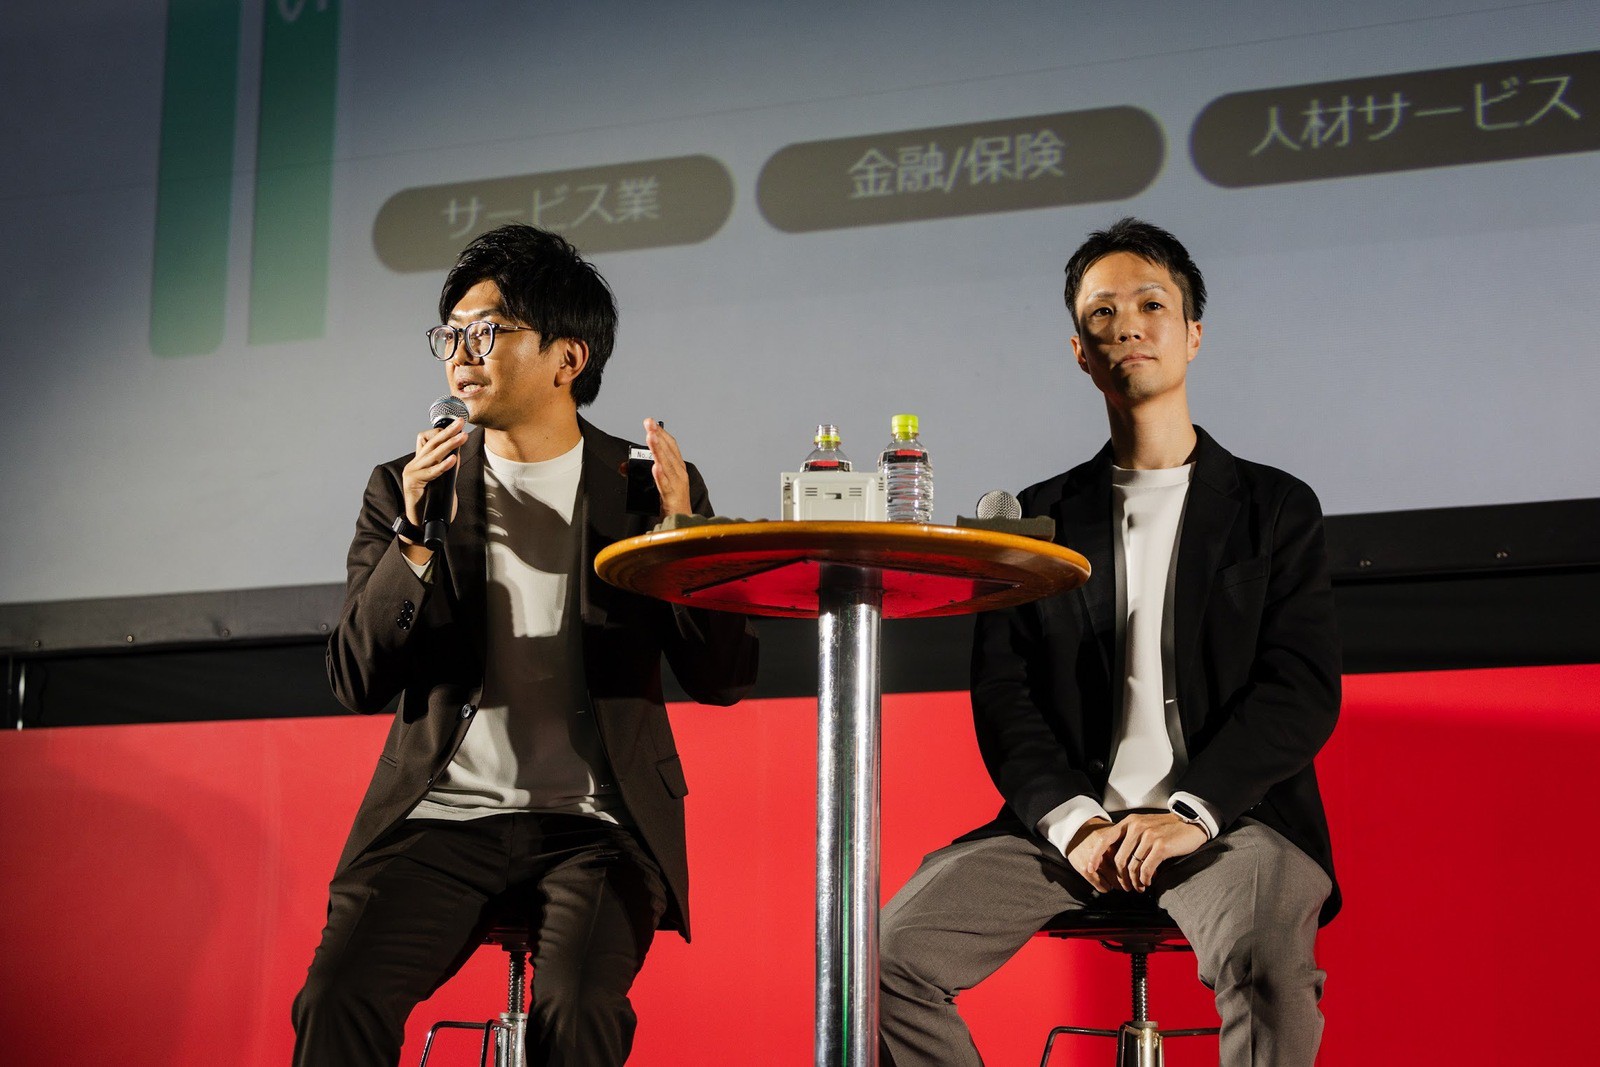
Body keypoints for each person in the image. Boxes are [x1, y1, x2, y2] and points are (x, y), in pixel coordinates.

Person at [292, 224, 759, 1067]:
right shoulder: (407, 485)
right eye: (449, 336)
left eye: (487, 332)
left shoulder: (646, 486)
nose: (460, 356)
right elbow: (355, 678)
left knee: (577, 1010)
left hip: (598, 827)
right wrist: (413, 538)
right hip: (439, 818)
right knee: (336, 997)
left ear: (567, 357)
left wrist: (686, 536)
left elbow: (721, 676)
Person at [878, 218, 1341, 1065]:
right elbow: (1007, 698)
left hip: (1231, 823)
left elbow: (1299, 688)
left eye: (1151, 304)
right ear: (1080, 353)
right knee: (881, 958)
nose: (1126, 325)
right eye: (1101, 313)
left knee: (1266, 965)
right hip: (1069, 828)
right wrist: (1076, 822)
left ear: (1193, 333)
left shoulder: (1275, 507)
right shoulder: (1038, 518)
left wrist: (1190, 813)